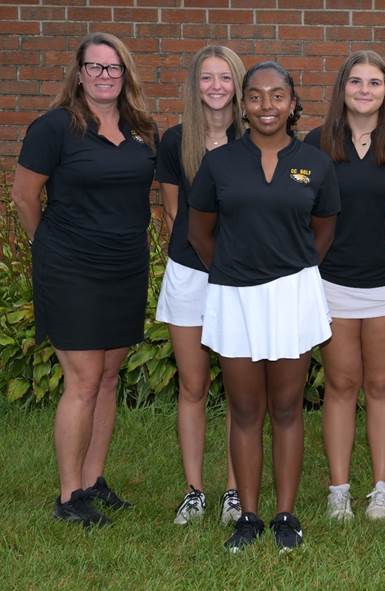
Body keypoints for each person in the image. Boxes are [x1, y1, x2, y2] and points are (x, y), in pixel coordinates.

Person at [188, 61, 340, 553]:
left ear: (293, 104)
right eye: (255, 97)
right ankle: (248, 516)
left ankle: (285, 516)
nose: (266, 106)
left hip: (293, 296)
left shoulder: (315, 162)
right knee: (246, 408)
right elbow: (199, 232)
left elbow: (324, 230)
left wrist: (289, 271)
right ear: (243, 105)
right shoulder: (220, 163)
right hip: (234, 296)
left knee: (287, 407)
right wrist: (238, 271)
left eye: (277, 96)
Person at [11, 32, 156, 528]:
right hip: (71, 267)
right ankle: (68, 495)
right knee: (84, 378)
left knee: (109, 377)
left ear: (125, 75)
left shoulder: (141, 128)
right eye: (94, 68)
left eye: (113, 68)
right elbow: (24, 197)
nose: (104, 76)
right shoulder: (53, 128)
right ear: (78, 74)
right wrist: (46, 245)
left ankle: (93, 482)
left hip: (125, 266)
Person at [305, 50, 385, 522]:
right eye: (356, 82)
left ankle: (381, 487)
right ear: (342, 89)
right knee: (340, 383)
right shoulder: (315, 142)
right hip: (331, 281)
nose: (365, 90)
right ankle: (339, 488)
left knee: (380, 382)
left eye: (375, 83)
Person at [156, 45, 245, 527]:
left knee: (239, 389)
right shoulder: (175, 141)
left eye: (225, 78)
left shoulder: (254, 139)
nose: (216, 86)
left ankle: (235, 490)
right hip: (189, 273)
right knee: (193, 385)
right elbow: (174, 211)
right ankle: (194, 490)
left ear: (237, 83)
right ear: (195, 84)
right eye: (207, 78)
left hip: (240, 276)